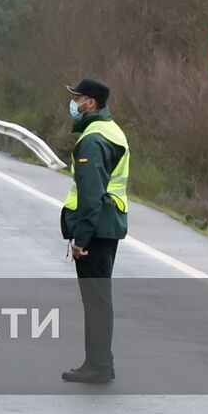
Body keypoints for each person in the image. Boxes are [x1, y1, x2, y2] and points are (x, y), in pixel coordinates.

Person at [60, 78, 129, 384]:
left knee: (96, 299)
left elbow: (90, 194)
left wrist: (81, 238)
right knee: (99, 298)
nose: (73, 104)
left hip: (96, 229)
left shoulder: (93, 140)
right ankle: (103, 361)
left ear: (91, 103)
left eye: (77, 98)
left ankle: (98, 365)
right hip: (109, 224)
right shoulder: (110, 130)